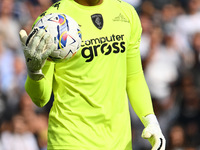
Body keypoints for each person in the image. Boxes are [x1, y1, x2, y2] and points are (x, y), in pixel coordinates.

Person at [19, 0, 166, 149]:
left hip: (119, 142)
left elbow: (134, 77)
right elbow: (40, 99)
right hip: (70, 139)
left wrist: (150, 120)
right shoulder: (51, 21)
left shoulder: (127, 13)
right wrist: (34, 71)